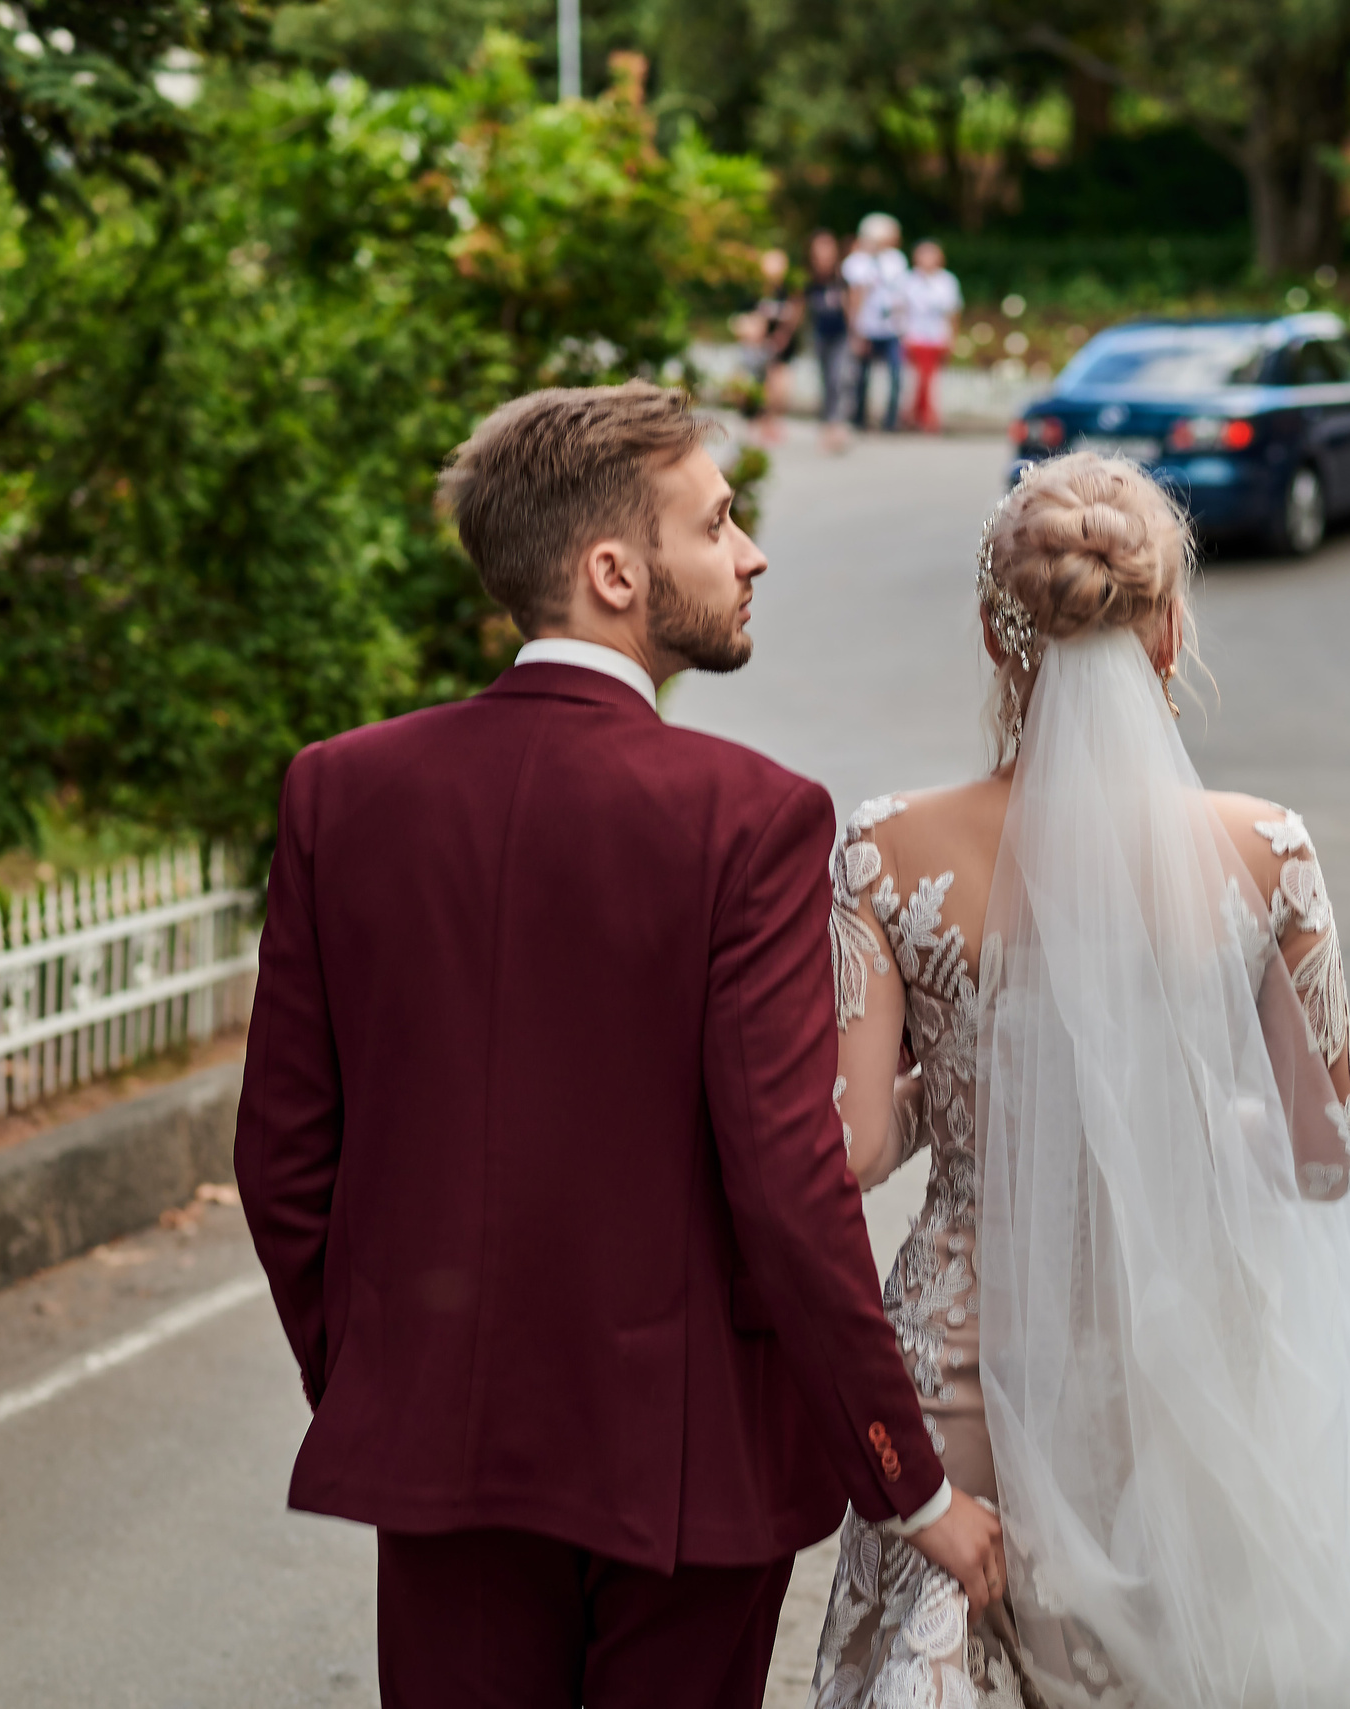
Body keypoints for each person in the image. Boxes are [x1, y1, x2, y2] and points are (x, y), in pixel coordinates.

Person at [235, 382, 1004, 1708]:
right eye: (716, 526)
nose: (750, 553)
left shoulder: (340, 789)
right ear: (613, 572)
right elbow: (785, 1179)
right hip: (688, 1477)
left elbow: (283, 1156)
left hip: (444, 1449)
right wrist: (909, 1478)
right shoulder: (748, 817)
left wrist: (384, 1382)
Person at [811, 451, 1350, 1707]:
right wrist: (1197, 1104)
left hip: (961, 1364)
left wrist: (973, 1087)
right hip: (1182, 1369)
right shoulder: (1267, 850)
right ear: (1170, 626)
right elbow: (1322, 1151)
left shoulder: (880, 847)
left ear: (993, 630)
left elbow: (852, 1145)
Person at [842, 212, 908, 432]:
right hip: (866, 327)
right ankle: (859, 417)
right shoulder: (857, 262)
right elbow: (854, 296)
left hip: (892, 328)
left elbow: (901, 292)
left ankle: (891, 420)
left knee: (896, 374)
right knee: (862, 375)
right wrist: (855, 329)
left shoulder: (897, 260)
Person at [732, 247, 801, 447]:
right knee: (750, 387)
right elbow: (740, 320)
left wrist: (783, 337)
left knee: (779, 388)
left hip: (779, 348)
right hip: (756, 349)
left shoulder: (788, 292)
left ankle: (771, 421)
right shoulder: (754, 292)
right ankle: (753, 421)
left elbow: (793, 319)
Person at [899, 239, 962, 433]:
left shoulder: (947, 281)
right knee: (916, 380)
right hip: (914, 336)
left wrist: (952, 338)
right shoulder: (908, 280)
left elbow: (953, 312)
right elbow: (901, 310)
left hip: (936, 337)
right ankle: (917, 417)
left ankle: (924, 418)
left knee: (929, 380)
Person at [803, 230, 854, 454]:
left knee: (839, 378)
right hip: (820, 336)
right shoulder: (809, 278)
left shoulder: (842, 277)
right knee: (825, 380)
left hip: (840, 336)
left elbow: (851, 307)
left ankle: (838, 423)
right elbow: (800, 307)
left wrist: (856, 334)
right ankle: (827, 423)